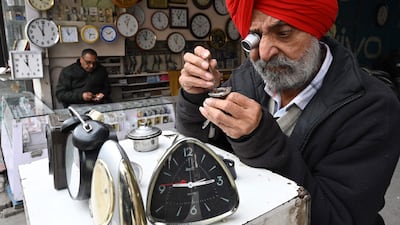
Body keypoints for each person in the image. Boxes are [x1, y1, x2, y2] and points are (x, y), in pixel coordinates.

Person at [175, 1, 400, 225]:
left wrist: (259, 140)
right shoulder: (248, 77)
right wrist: (196, 99)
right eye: (254, 37)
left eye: (283, 34)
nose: (264, 52)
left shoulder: (373, 108)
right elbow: (198, 154)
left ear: (317, 31)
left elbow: (337, 217)